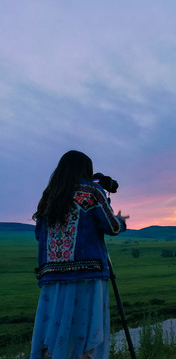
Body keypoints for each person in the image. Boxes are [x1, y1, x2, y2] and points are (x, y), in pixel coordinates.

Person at [30, 150, 129, 359]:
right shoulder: (91, 192)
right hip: (88, 274)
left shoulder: (50, 196)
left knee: (52, 332)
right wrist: (121, 220)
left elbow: (40, 234)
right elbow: (110, 225)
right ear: (87, 169)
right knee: (84, 337)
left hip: (52, 277)